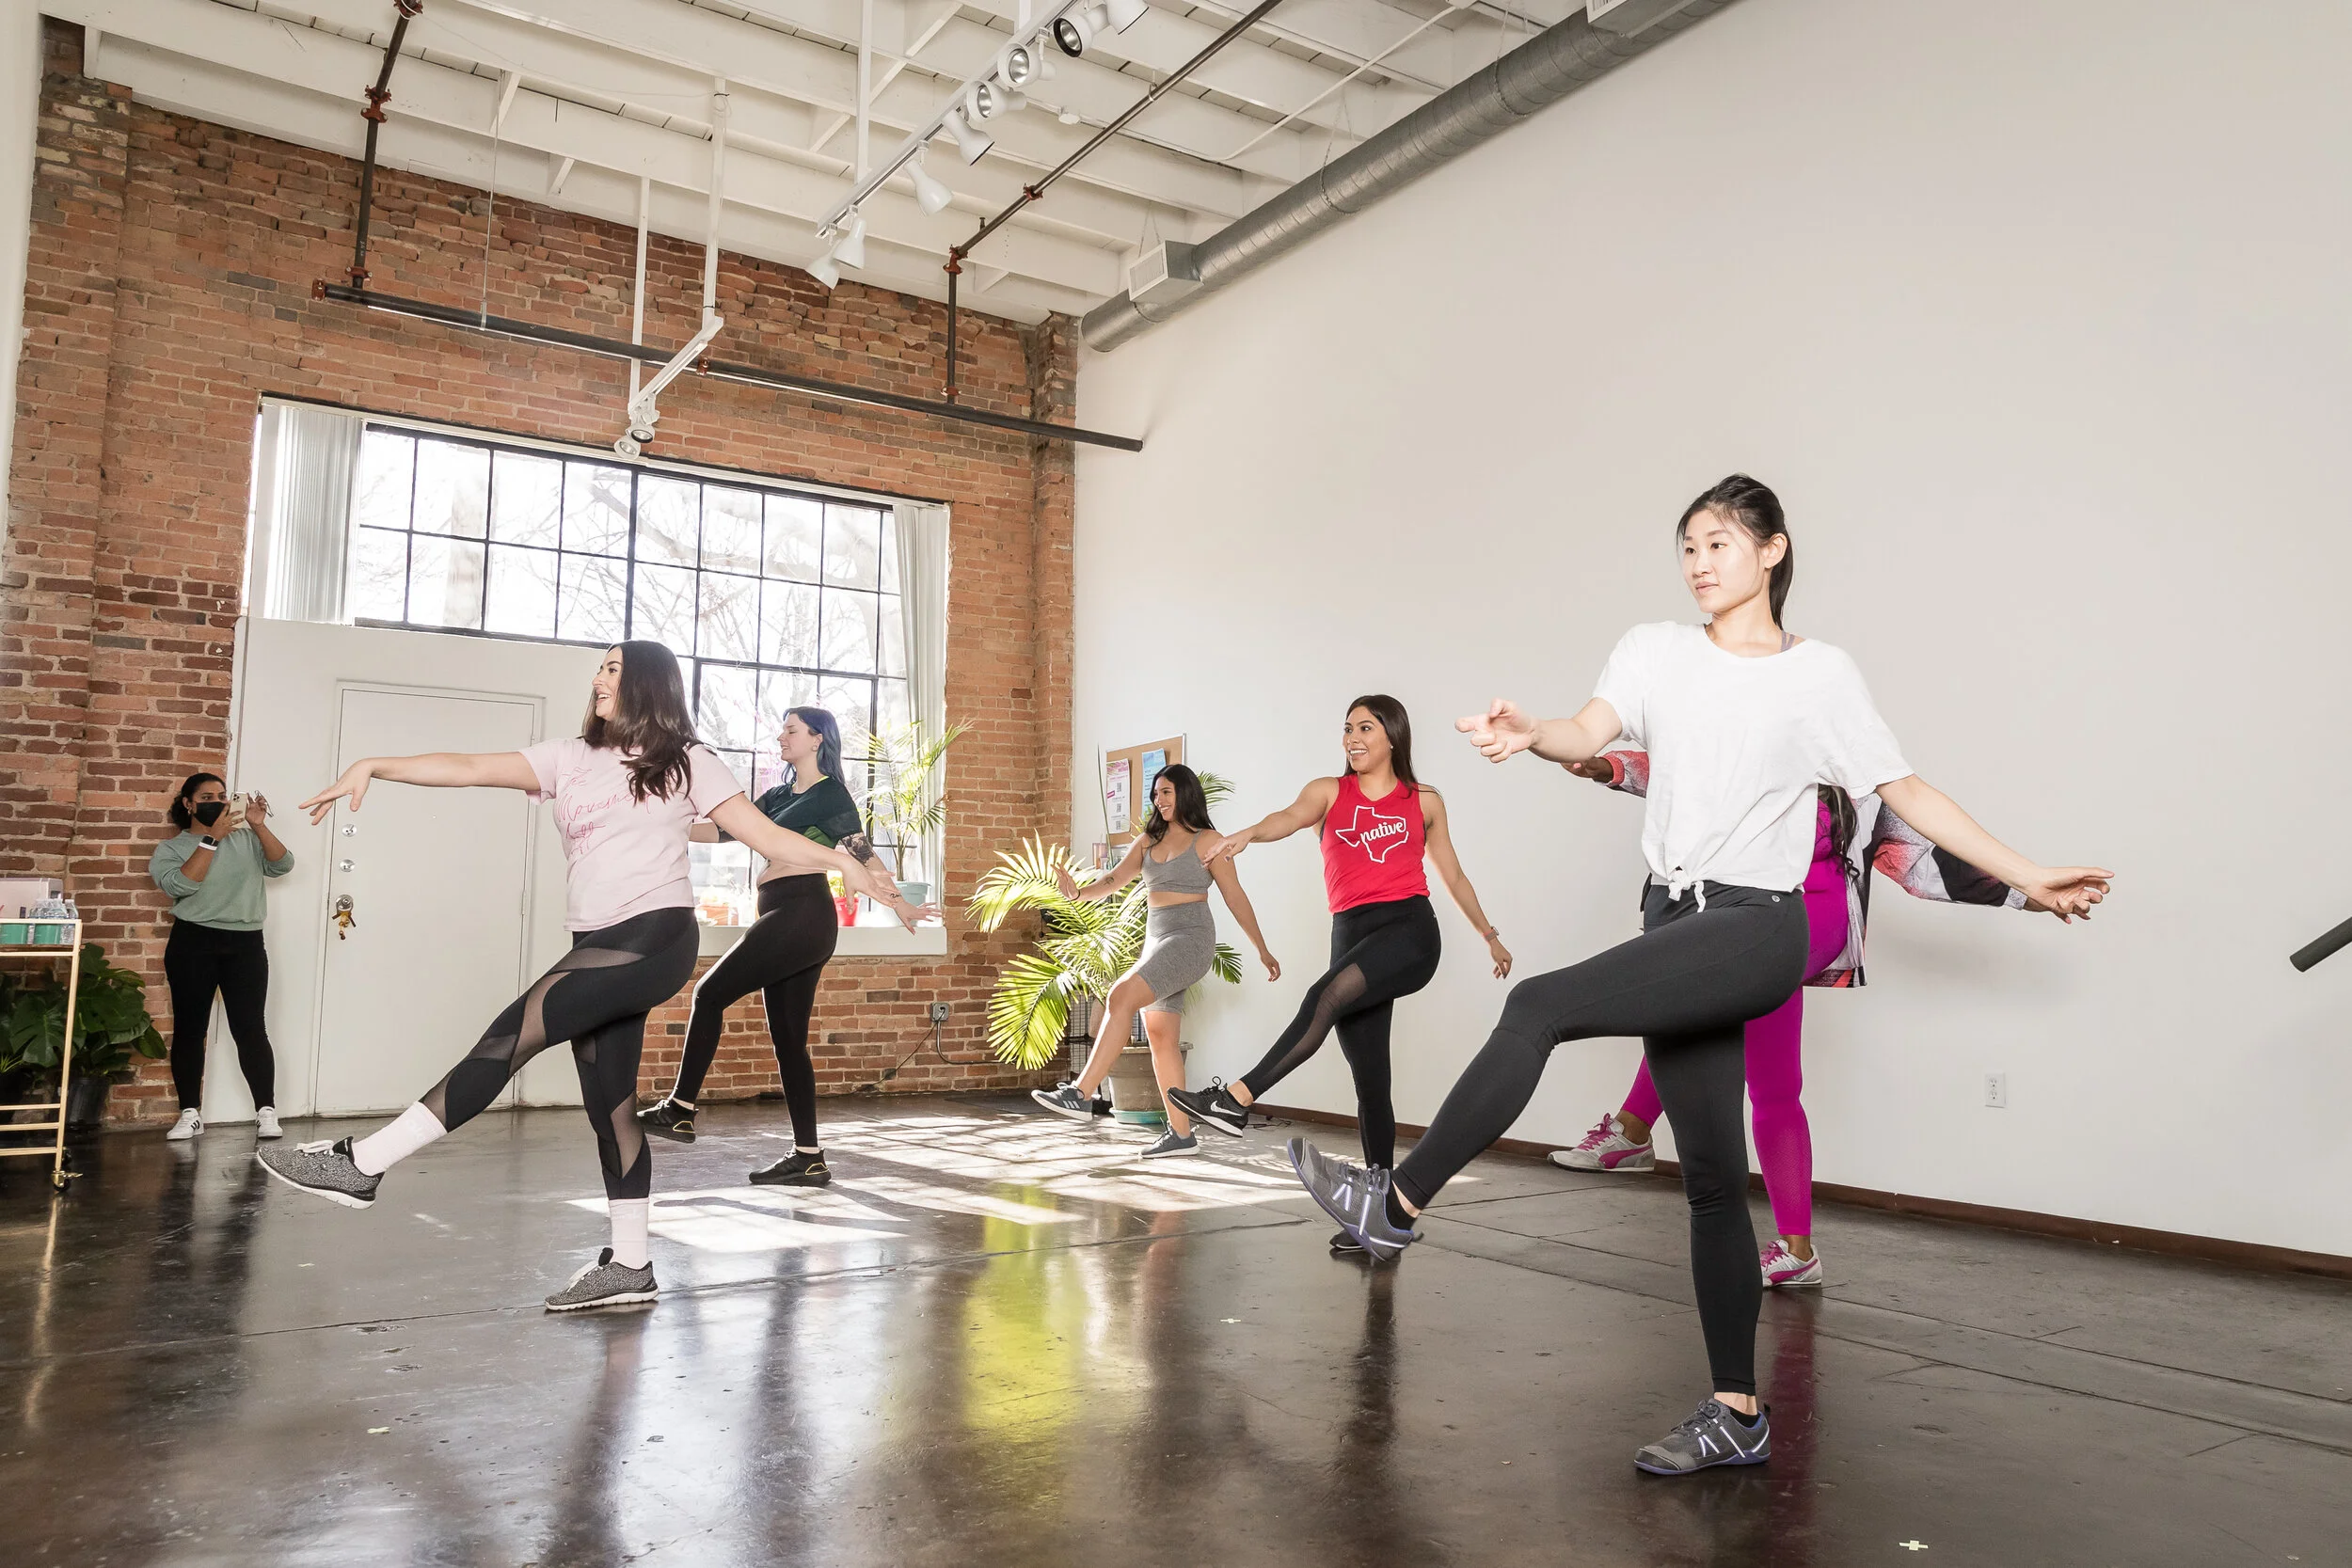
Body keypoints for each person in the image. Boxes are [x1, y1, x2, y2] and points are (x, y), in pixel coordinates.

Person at [1286, 476, 2110, 1475]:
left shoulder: (1820, 677)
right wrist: (1531, 732)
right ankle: (1737, 1411)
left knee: (1538, 1002)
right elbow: (1591, 733)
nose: (1697, 560)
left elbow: (1902, 792)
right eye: (1685, 545)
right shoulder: (1655, 650)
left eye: (1718, 541)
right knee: (1714, 1179)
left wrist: (2028, 875)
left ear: (1771, 550)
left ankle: (1398, 1202)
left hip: (1754, 921)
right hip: (1670, 911)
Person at [257, 641, 921, 1312]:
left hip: (655, 933)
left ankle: (361, 1163)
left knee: (510, 1035)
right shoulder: (568, 758)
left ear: (648, 686)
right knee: (611, 1108)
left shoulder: (688, 760)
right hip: (597, 938)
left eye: (614, 668)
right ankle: (631, 1264)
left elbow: (769, 837)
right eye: (599, 668)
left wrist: (851, 866)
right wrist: (376, 764)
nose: (600, 678)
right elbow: (466, 766)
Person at [1551, 751, 2056, 1288]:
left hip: (1806, 927)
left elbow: (1920, 862)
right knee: (1766, 1072)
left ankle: (1632, 1131)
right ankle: (1796, 1250)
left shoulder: (1858, 776)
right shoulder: (1740, 747)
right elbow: (1673, 768)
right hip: (1741, 922)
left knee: (1705, 998)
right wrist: (1608, 767)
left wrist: (2027, 895)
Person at [1169, 695, 1512, 1255]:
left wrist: (1489, 935)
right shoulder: (1329, 792)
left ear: (1393, 736)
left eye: (1366, 728)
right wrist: (1249, 834)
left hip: (1408, 932)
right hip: (1350, 934)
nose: (1353, 737)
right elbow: (1288, 817)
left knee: (1322, 999)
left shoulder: (1423, 801)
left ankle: (1237, 1097)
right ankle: (1382, 1217)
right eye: (1348, 728)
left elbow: (1450, 871)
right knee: (1371, 1078)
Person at [637, 705, 884, 1187]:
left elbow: (862, 852)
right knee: (789, 1042)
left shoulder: (831, 794)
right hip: (784, 914)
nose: (781, 737)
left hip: (803, 912)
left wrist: (900, 901)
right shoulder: (776, 796)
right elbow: (725, 829)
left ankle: (681, 1108)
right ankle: (809, 1158)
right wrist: (671, 823)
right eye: (782, 730)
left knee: (709, 994)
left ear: (817, 739)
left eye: (791, 730)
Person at [1030, 764, 1279, 1158]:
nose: (1159, 801)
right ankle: (1181, 1135)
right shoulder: (1147, 841)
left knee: (1121, 995)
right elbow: (1113, 880)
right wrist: (1077, 894)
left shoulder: (1208, 840)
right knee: (1161, 1038)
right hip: (1157, 941)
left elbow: (1235, 897)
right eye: (1156, 794)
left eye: (1166, 792)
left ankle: (1082, 1092)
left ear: (1185, 793)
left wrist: (1262, 948)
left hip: (1191, 940)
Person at [150, 774, 294, 1141]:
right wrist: (212, 838)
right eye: (206, 796)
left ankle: (266, 1112)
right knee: (190, 1029)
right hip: (192, 943)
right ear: (188, 804)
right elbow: (181, 885)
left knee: (250, 1028)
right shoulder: (173, 848)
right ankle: (189, 1113)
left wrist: (259, 826)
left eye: (221, 795)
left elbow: (282, 865)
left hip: (245, 943)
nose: (217, 800)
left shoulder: (247, 839)